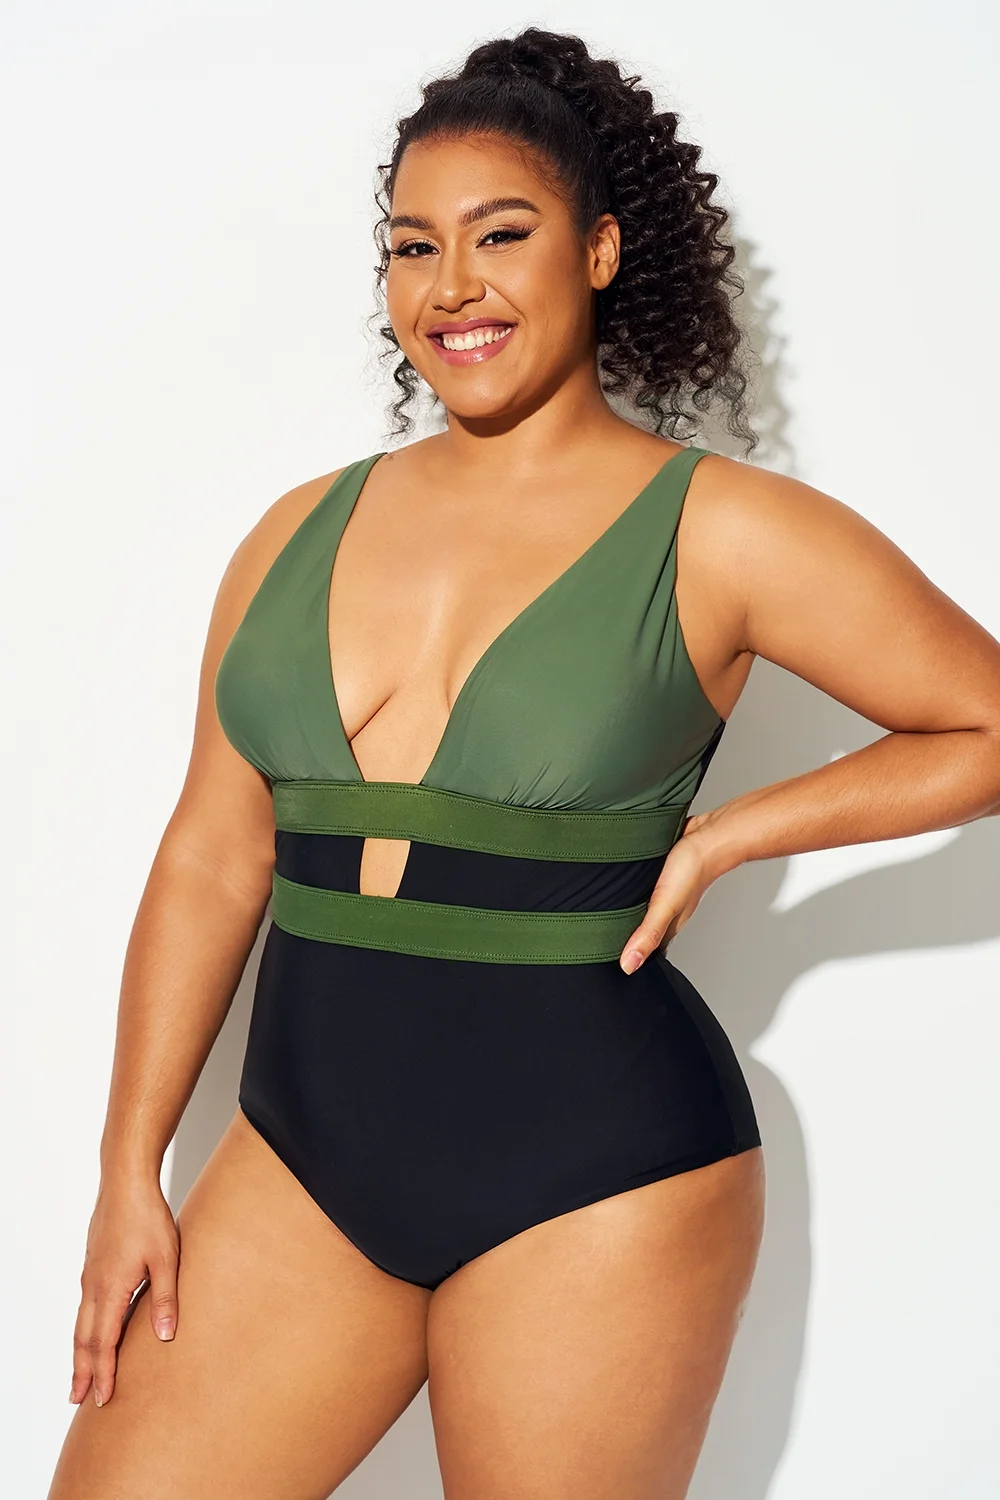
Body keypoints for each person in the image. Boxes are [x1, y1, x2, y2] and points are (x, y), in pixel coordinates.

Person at [47, 26, 1000, 1500]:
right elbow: (214, 854)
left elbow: (983, 719)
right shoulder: (293, 532)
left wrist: (733, 832)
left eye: (502, 235)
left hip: (602, 1176)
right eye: (412, 246)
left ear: (601, 251)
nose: (453, 287)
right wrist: (129, 1168)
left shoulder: (723, 529)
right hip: (301, 1165)